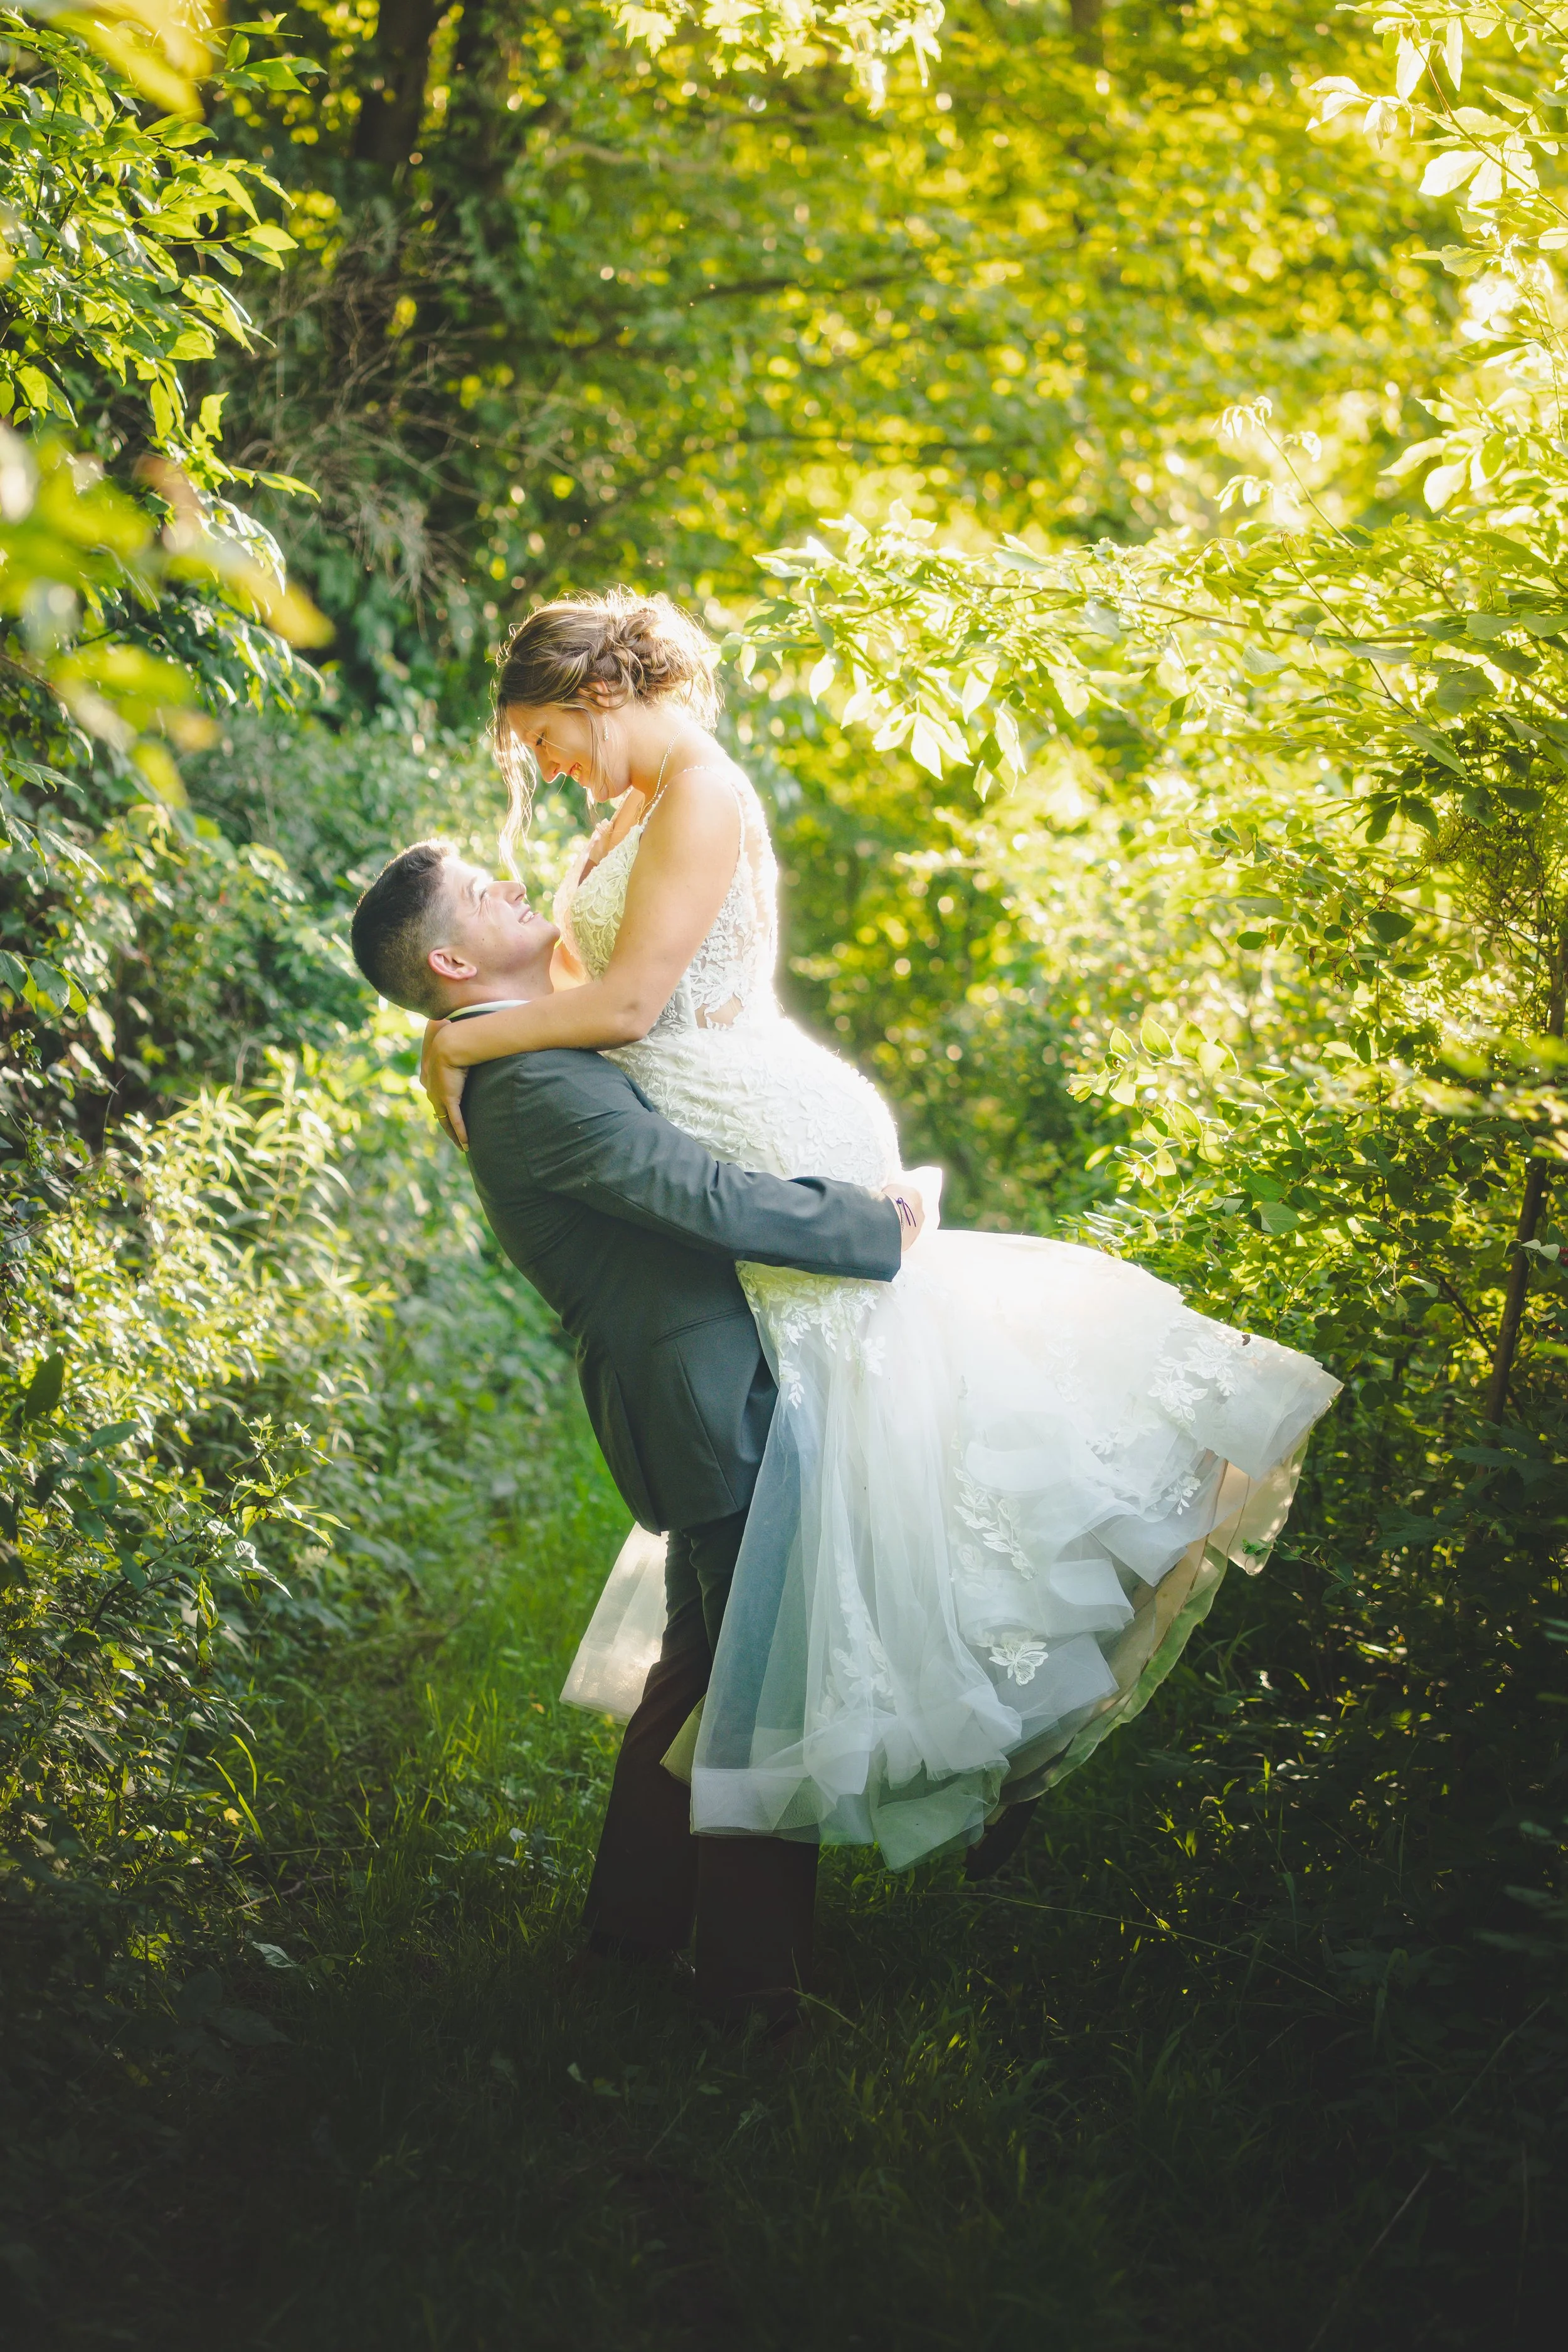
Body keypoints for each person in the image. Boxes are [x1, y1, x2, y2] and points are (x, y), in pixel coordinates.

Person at [420, 590, 1343, 1873]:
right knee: (823, 1504)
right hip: (719, 1128)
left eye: (550, 741)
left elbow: (628, 1007)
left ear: (597, 696)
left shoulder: (696, 790)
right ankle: (739, 1873)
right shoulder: (632, 803)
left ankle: (973, 1733)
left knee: (852, 1489)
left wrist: (453, 1038)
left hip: (765, 1130)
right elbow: (593, 994)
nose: (549, 771)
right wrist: (486, 1025)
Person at [349, 842, 924, 2032]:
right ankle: (757, 1992)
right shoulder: (531, 1089)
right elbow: (701, 1194)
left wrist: (447, 1036)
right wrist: (876, 1223)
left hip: (698, 1389)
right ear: (453, 957)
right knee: (763, 1681)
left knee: (705, 1664)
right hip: (704, 1399)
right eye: (482, 891)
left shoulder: (516, 1054)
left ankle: (629, 1937)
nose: (512, 883)